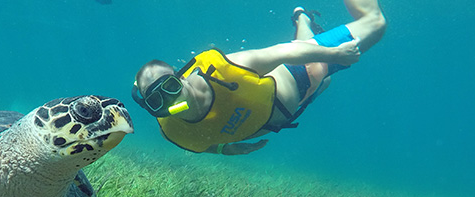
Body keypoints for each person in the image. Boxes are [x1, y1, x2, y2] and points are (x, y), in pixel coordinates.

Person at [132, 0, 386, 155]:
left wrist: (335, 53)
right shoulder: (174, 132)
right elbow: (204, 144)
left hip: (299, 72)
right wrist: (227, 148)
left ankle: (306, 24)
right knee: (324, 82)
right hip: (299, 101)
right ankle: (302, 17)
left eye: (170, 87)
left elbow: (282, 52)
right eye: (156, 100)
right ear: (150, 108)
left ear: (182, 78)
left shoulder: (225, 70)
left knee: (375, 24)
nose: (169, 101)